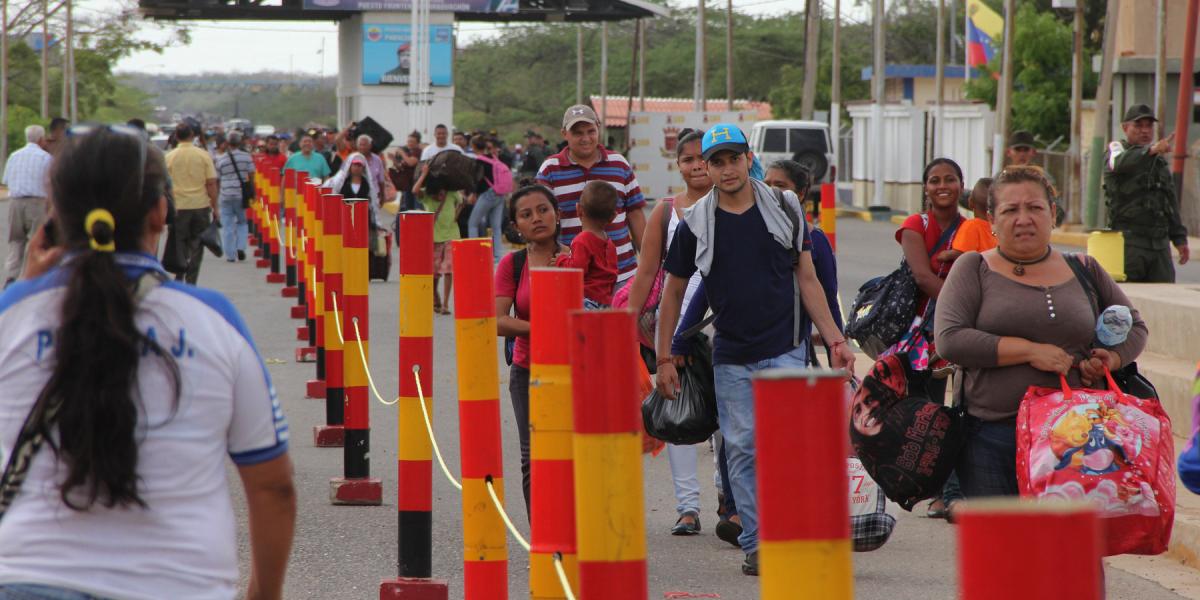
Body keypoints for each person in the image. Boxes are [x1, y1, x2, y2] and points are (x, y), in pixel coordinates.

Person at [0, 127, 295, 599]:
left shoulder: (12, 315)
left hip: (25, 579)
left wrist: (26, 290)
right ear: (160, 211)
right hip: (178, 584)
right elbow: (272, 487)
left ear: (53, 215)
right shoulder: (214, 320)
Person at [655, 123, 853, 576]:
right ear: (706, 168)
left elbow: (807, 278)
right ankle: (757, 541)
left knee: (786, 449)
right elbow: (674, 291)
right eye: (717, 162)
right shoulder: (696, 222)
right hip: (731, 355)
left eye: (734, 159)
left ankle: (788, 532)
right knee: (742, 449)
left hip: (785, 347)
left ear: (749, 159)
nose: (727, 169)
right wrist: (665, 357)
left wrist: (836, 340)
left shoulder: (784, 207)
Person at [936, 167, 1147, 499]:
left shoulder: (1084, 268)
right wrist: (1030, 351)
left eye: (1034, 207)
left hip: (1079, 441)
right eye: (1010, 210)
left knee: (1069, 534)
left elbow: (1134, 326)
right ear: (992, 220)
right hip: (992, 439)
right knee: (1002, 532)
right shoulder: (974, 268)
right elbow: (950, 339)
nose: (1024, 219)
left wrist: (1111, 358)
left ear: (1052, 214)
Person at [623, 128, 716, 539]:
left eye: (703, 158)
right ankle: (688, 508)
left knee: (728, 422)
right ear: (678, 165)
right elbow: (646, 274)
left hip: (726, 326)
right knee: (680, 415)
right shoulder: (665, 213)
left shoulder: (736, 205)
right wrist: (626, 326)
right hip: (678, 329)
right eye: (688, 159)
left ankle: (729, 504)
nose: (696, 166)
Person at [495, 184, 569, 514]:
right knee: (533, 457)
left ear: (557, 214)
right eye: (526, 215)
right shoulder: (512, 265)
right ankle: (541, 537)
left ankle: (574, 530)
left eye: (543, 210)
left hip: (573, 371)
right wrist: (543, 329)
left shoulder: (577, 257)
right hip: (527, 371)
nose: (537, 218)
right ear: (516, 226)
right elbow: (497, 320)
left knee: (573, 453)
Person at [536, 105, 647, 289]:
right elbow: (542, 221)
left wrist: (650, 264)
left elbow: (635, 214)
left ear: (598, 128)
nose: (586, 138)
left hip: (621, 275)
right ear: (564, 134)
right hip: (571, 276)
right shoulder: (550, 169)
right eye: (578, 133)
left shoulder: (619, 164)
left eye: (591, 131)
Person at [763, 160, 843, 355]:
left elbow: (829, 301)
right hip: (743, 351)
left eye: (780, 185)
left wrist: (836, 351)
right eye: (766, 184)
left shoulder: (816, 240)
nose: (771, 191)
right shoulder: (747, 230)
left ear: (800, 193)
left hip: (791, 350)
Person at [1104, 104, 1190, 283]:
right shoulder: (1117, 149)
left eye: (1149, 126)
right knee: (1127, 297)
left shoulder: (1158, 161)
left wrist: (1179, 238)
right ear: (1125, 128)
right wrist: (1151, 150)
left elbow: (1170, 201)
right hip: (1129, 245)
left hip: (1159, 247)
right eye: (1138, 125)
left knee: (1164, 295)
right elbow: (1118, 163)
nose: (1144, 131)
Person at [165, 123, 219, 285]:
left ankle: (179, 274)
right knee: (197, 244)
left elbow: (164, 185)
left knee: (179, 242)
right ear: (192, 136)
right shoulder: (203, 155)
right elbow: (211, 183)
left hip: (178, 206)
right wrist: (215, 207)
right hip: (200, 206)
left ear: (176, 137)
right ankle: (191, 280)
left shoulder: (169, 157)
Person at [2, 125, 53, 286]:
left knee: (16, 241)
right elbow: (51, 183)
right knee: (36, 242)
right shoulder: (46, 158)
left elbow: (6, 180)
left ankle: (11, 277)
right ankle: (29, 278)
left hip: (15, 203)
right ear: (40, 139)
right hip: (36, 203)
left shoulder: (14, 156)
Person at [555, 180, 618, 307]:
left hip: (587, 300)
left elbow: (576, 270)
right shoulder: (609, 243)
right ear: (613, 217)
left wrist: (561, 260)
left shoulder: (582, 240)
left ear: (578, 209)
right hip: (606, 302)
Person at [413, 163, 461, 315]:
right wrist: (424, 174)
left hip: (451, 236)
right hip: (433, 239)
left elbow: (462, 202)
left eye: (441, 194)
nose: (439, 197)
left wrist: (456, 216)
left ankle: (445, 304)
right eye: (436, 195)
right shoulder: (426, 197)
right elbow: (415, 190)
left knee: (448, 270)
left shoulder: (451, 193)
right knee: (433, 272)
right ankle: (435, 297)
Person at [214, 131, 255, 262]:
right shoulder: (246, 157)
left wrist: (215, 199)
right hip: (241, 194)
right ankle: (241, 247)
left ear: (227, 143)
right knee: (242, 222)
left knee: (227, 225)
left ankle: (230, 255)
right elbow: (251, 175)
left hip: (225, 195)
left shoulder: (221, 159)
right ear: (240, 142)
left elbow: (217, 179)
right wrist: (252, 191)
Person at [468, 137, 509, 262]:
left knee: (473, 224)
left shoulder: (479, 161)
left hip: (488, 194)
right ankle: (498, 256)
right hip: (500, 194)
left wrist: (474, 193)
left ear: (473, 146)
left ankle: (474, 254)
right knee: (496, 227)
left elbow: (479, 180)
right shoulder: (493, 158)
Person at [945, 178, 998, 259]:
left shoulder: (971, 225)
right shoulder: (998, 228)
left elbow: (959, 253)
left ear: (970, 202)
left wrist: (945, 255)